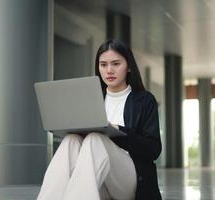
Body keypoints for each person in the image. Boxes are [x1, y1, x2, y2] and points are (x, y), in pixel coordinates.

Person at [37, 39, 162, 200]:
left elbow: (153, 149)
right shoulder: (92, 98)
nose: (109, 70)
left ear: (129, 67)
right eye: (103, 65)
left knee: (96, 139)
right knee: (71, 140)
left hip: (130, 181)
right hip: (97, 182)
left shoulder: (144, 100)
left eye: (116, 64)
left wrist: (118, 130)